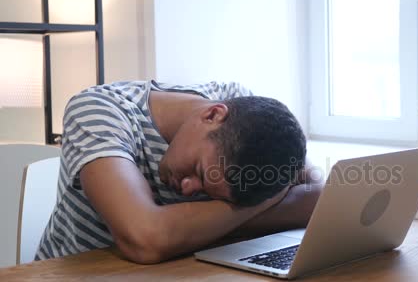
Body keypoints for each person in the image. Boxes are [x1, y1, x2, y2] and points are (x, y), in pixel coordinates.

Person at [35, 80, 322, 264]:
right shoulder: (101, 111)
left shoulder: (246, 114)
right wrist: (269, 199)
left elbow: (319, 198)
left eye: (211, 195)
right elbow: (145, 240)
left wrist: (190, 230)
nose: (187, 189)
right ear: (213, 115)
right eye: (198, 170)